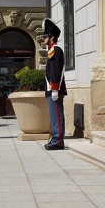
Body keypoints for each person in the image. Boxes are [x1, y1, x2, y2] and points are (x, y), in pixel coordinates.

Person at [42, 19, 67, 150]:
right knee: (54, 115)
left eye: (45, 36)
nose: (43, 38)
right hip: (52, 89)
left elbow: (56, 71)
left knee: (57, 115)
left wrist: (55, 89)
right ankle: (55, 139)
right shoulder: (52, 50)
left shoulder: (56, 50)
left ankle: (57, 141)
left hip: (54, 89)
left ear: (52, 37)